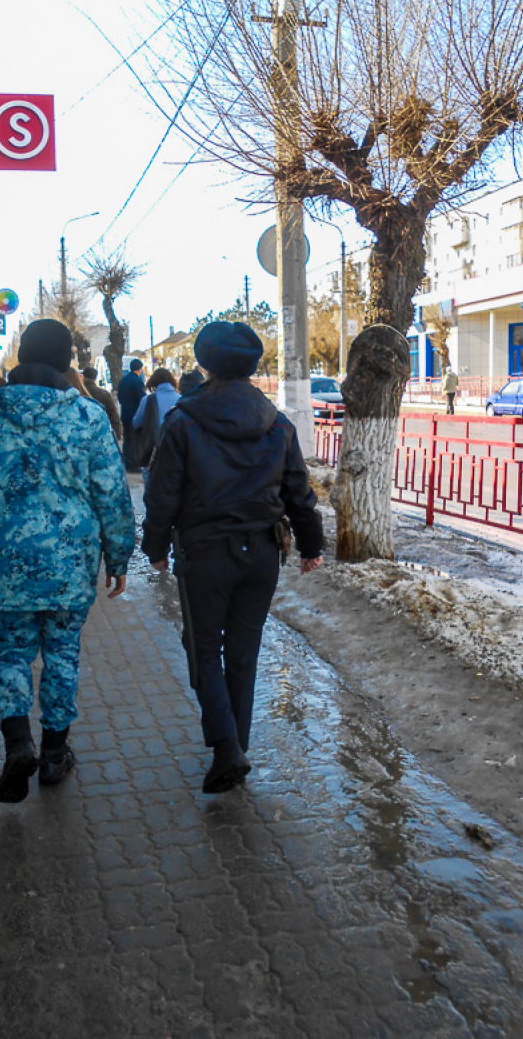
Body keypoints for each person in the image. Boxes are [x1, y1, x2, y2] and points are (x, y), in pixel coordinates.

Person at [0, 319, 135, 804]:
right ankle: (53, 755)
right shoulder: (88, 417)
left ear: (21, 355)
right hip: (71, 566)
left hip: (6, 565)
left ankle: (17, 743)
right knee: (63, 657)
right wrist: (119, 556)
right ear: (67, 360)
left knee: (10, 656)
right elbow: (112, 494)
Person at [142, 321, 323, 795]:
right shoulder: (277, 421)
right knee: (243, 652)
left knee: (202, 648)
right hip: (263, 552)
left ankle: (227, 749)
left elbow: (163, 494)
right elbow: (298, 489)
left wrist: (155, 547)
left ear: (203, 363)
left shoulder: (183, 420)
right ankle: (235, 745)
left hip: (205, 555)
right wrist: (311, 545)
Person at [132, 367, 180, 481]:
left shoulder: (147, 400)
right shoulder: (181, 399)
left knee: (150, 477)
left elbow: (136, 423)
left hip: (153, 447)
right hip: (176, 447)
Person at [117, 358, 146, 472]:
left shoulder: (124, 380)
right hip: (135, 415)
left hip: (125, 414)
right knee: (135, 440)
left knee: (127, 439)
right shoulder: (137, 381)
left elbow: (119, 397)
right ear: (139, 369)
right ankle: (134, 464)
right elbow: (142, 399)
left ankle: (127, 462)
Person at [83, 366, 122, 440]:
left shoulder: (79, 392)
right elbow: (113, 414)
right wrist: (117, 433)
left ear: (83, 378)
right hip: (101, 431)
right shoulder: (103, 393)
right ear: (95, 379)